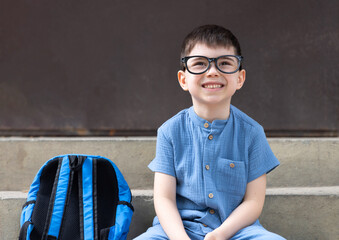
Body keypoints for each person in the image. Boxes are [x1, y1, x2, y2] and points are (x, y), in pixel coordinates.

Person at [134, 24, 285, 240]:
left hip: (235, 230)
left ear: (240, 78)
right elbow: (164, 198)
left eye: (224, 63)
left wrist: (221, 235)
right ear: (183, 79)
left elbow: (253, 202)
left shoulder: (252, 133)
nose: (212, 71)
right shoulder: (169, 131)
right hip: (178, 230)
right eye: (200, 64)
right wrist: (180, 238)